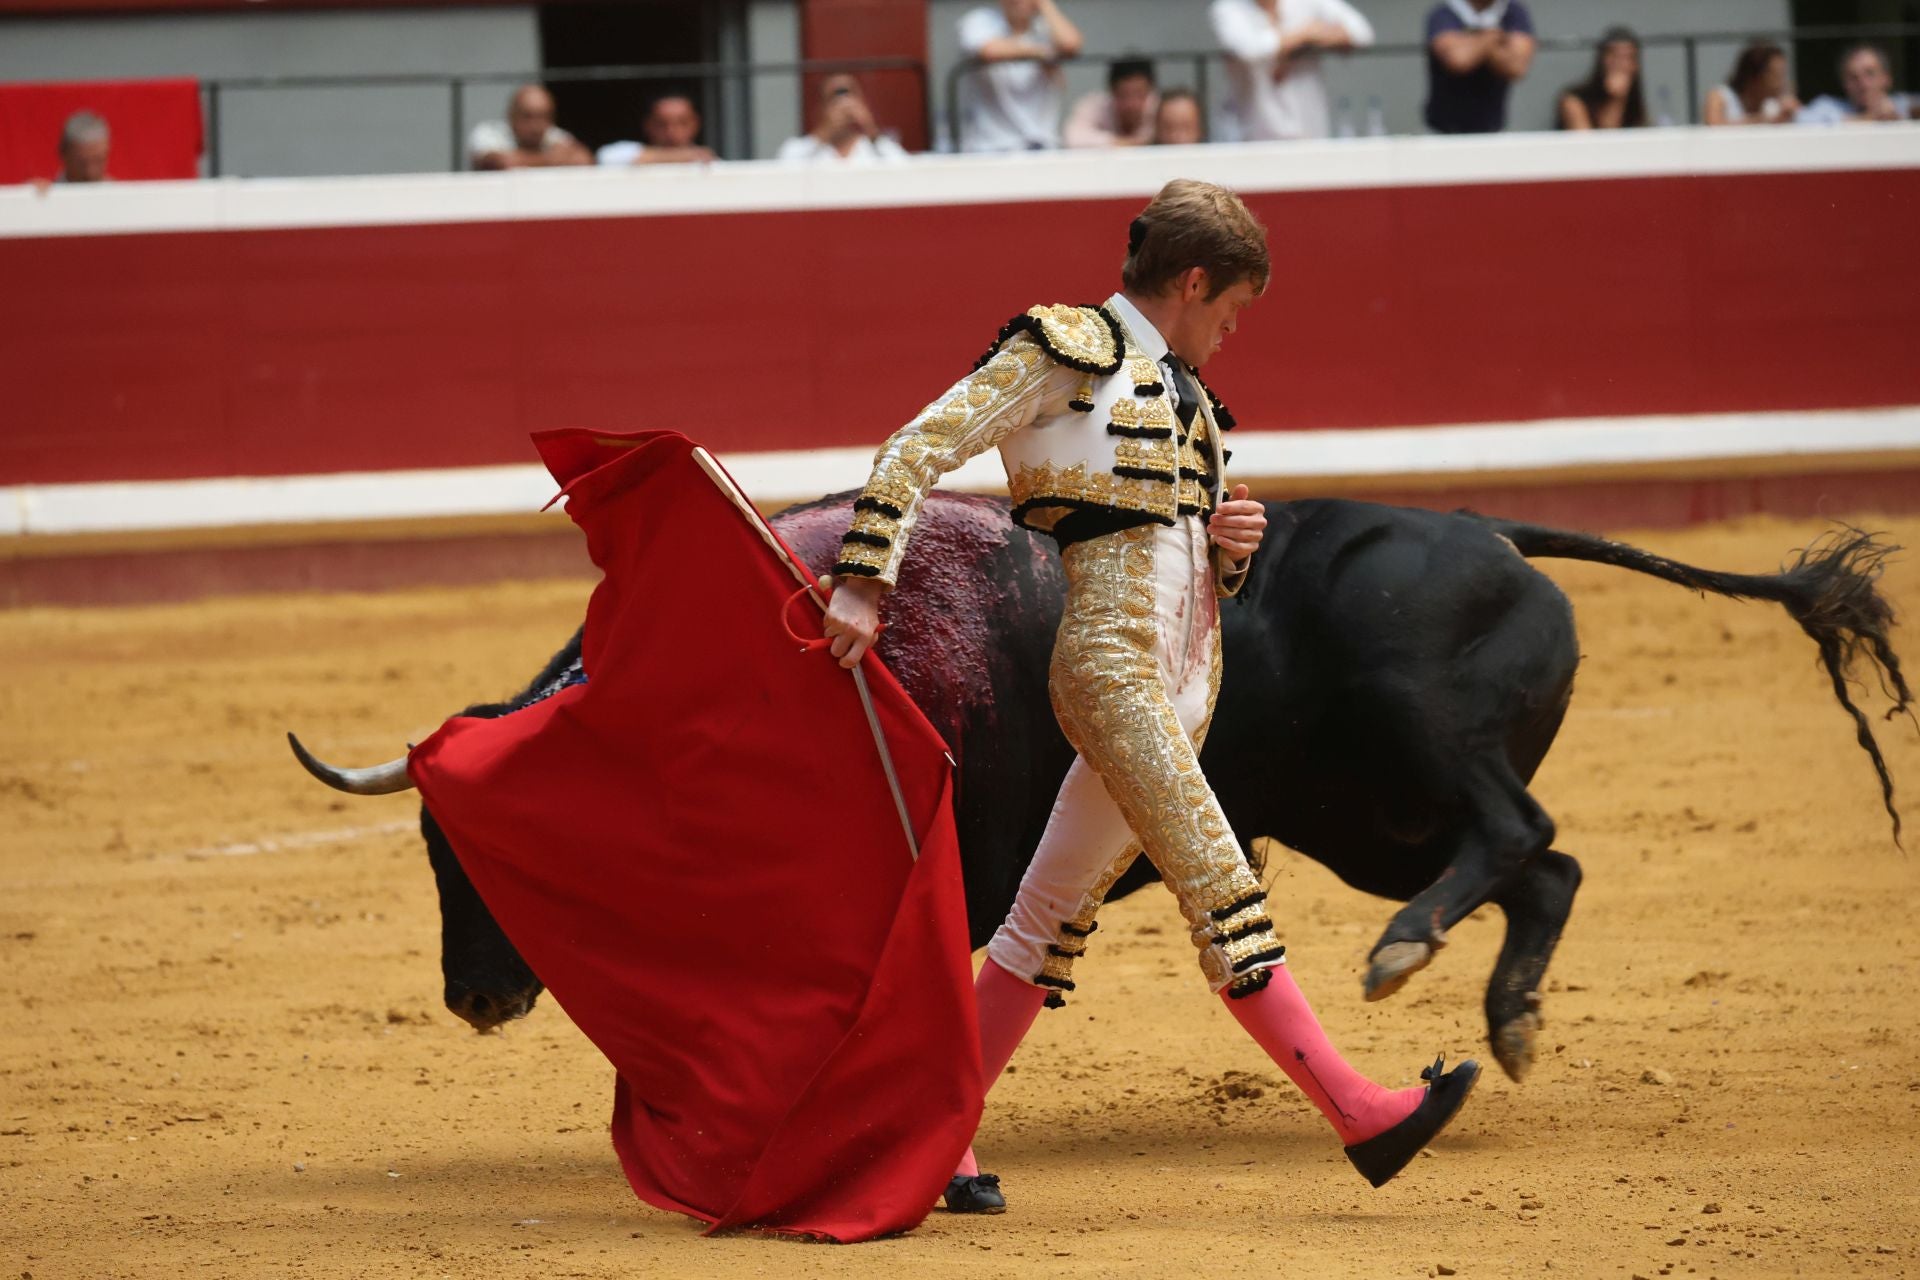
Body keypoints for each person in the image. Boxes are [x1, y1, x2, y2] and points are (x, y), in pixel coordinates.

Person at [823, 179, 1481, 1215]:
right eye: (1233, 308)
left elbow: (1184, 565)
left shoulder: (1181, 394)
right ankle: (1360, 1109)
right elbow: (915, 448)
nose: (1231, 331)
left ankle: (931, 1129)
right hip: (1112, 668)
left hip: (1182, 682)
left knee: (1047, 918)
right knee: (1223, 887)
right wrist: (864, 579)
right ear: (1193, 279)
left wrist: (1227, 550)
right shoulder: (1062, 349)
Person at [1210, 0, 1375, 141]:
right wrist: (1304, 34)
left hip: (1312, 135)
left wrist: (1311, 39)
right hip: (1255, 141)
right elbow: (1250, 50)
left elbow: (1362, 33)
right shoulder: (1228, 9)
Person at [956, 0, 1085, 152]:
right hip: (989, 147)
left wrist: (1045, 5)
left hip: (1041, 146)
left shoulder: (1045, 28)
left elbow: (1071, 44)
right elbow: (990, 51)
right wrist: (1042, 53)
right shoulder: (980, 20)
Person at [1423, 0, 1537, 135]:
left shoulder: (1513, 12)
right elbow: (1458, 60)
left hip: (1494, 129)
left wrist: (1472, 43)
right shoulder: (1444, 13)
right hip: (1443, 131)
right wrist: (1492, 37)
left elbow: (1516, 67)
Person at [777, 75, 909, 165]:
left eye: (850, 96)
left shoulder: (876, 146)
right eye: (834, 99)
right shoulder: (796, 148)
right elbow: (786, 168)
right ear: (821, 108)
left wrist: (870, 128)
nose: (843, 106)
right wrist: (826, 131)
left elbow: (904, 170)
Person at [468, 85, 592, 170]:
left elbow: (584, 160)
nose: (536, 126)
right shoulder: (488, 132)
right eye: (528, 116)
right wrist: (552, 159)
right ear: (511, 115)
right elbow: (502, 163)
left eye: (544, 117)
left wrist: (523, 160)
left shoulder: (553, 135)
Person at [1797, 44, 1918, 125]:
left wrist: (1904, 118)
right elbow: (1802, 121)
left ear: (1886, 78)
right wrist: (1870, 118)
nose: (1863, 84)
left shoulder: (1903, 104)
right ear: (1844, 83)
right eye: (1853, 77)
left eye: (1870, 74)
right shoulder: (1829, 107)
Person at [1557, 26, 1646, 130]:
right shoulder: (1573, 100)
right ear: (1601, 59)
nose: (1619, 64)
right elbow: (1590, 143)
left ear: (1635, 66)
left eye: (1627, 57)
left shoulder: (1635, 108)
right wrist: (1615, 101)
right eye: (1614, 55)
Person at [597, 93, 717, 167]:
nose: (671, 132)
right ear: (647, 125)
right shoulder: (626, 153)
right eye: (662, 124)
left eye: (682, 123)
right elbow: (605, 158)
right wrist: (681, 156)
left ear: (696, 123)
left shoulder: (713, 165)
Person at [1064, 57, 1158, 149]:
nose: (1131, 104)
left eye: (1139, 94)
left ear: (1150, 91)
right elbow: (1071, 138)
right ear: (1111, 92)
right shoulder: (1094, 105)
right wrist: (1119, 143)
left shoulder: (1160, 107)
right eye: (1123, 95)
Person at [1705, 41, 1801, 126]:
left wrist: (1795, 115)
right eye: (1775, 75)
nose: (1781, 83)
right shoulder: (1720, 96)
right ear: (1754, 77)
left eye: (1782, 75)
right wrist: (1763, 120)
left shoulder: (1775, 105)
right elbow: (1714, 126)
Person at [57, 110, 110, 183]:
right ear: (64, 154)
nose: (90, 173)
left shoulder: (120, 192)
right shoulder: (47, 192)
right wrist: (37, 193)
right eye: (81, 163)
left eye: (98, 161)